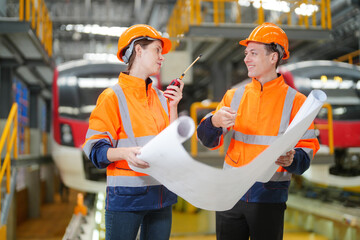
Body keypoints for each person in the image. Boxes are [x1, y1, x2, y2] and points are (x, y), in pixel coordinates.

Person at [197, 22, 320, 240]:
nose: (246, 59)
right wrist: (214, 121)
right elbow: (207, 141)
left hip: (268, 197)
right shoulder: (233, 96)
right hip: (229, 194)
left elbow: (306, 155)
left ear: (273, 57)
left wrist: (292, 159)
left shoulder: (297, 103)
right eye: (246, 53)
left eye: (253, 53)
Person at [82, 24, 184, 240]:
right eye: (157, 50)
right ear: (139, 50)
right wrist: (125, 154)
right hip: (127, 199)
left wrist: (173, 107)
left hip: (161, 196)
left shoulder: (160, 98)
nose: (162, 57)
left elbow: (171, 145)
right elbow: (94, 149)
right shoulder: (112, 97)